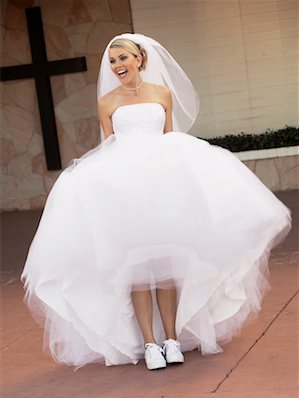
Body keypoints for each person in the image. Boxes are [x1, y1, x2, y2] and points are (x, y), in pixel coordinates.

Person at [22, 33, 291, 371]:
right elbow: (110, 148)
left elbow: (170, 140)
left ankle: (172, 338)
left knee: (167, 266)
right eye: (113, 61)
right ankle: (150, 344)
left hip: (161, 190)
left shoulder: (161, 94)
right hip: (127, 191)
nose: (118, 65)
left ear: (140, 60)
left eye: (123, 58)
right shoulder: (107, 102)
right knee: (135, 269)